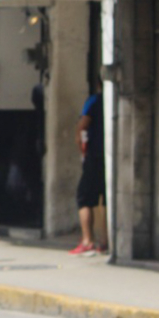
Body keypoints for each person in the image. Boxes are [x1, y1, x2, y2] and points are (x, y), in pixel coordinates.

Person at [71, 91, 108, 256]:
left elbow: (82, 125)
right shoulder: (112, 98)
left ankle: (87, 240)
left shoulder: (94, 100)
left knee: (84, 196)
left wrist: (82, 150)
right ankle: (106, 241)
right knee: (107, 200)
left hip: (94, 157)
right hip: (110, 157)